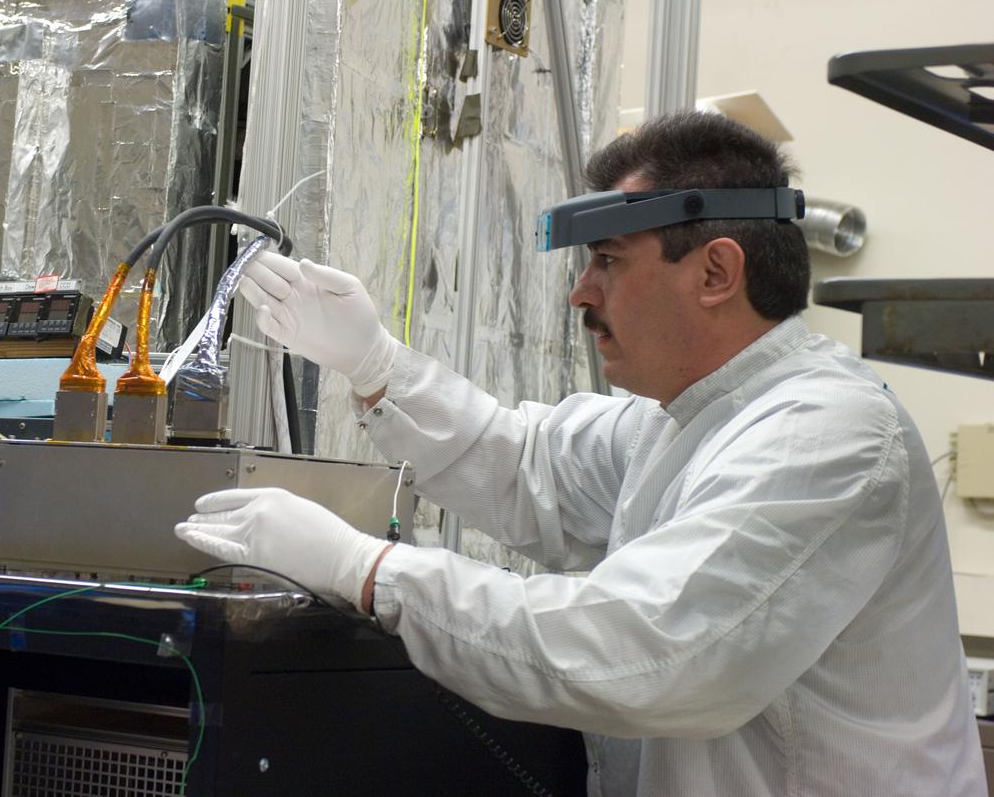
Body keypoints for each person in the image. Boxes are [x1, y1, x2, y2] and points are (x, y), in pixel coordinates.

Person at [175, 112, 986, 795]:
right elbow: (527, 463)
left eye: (609, 261)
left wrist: (370, 571)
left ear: (716, 272)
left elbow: (642, 650)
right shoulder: (685, 420)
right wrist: (376, 365)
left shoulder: (825, 435)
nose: (580, 294)